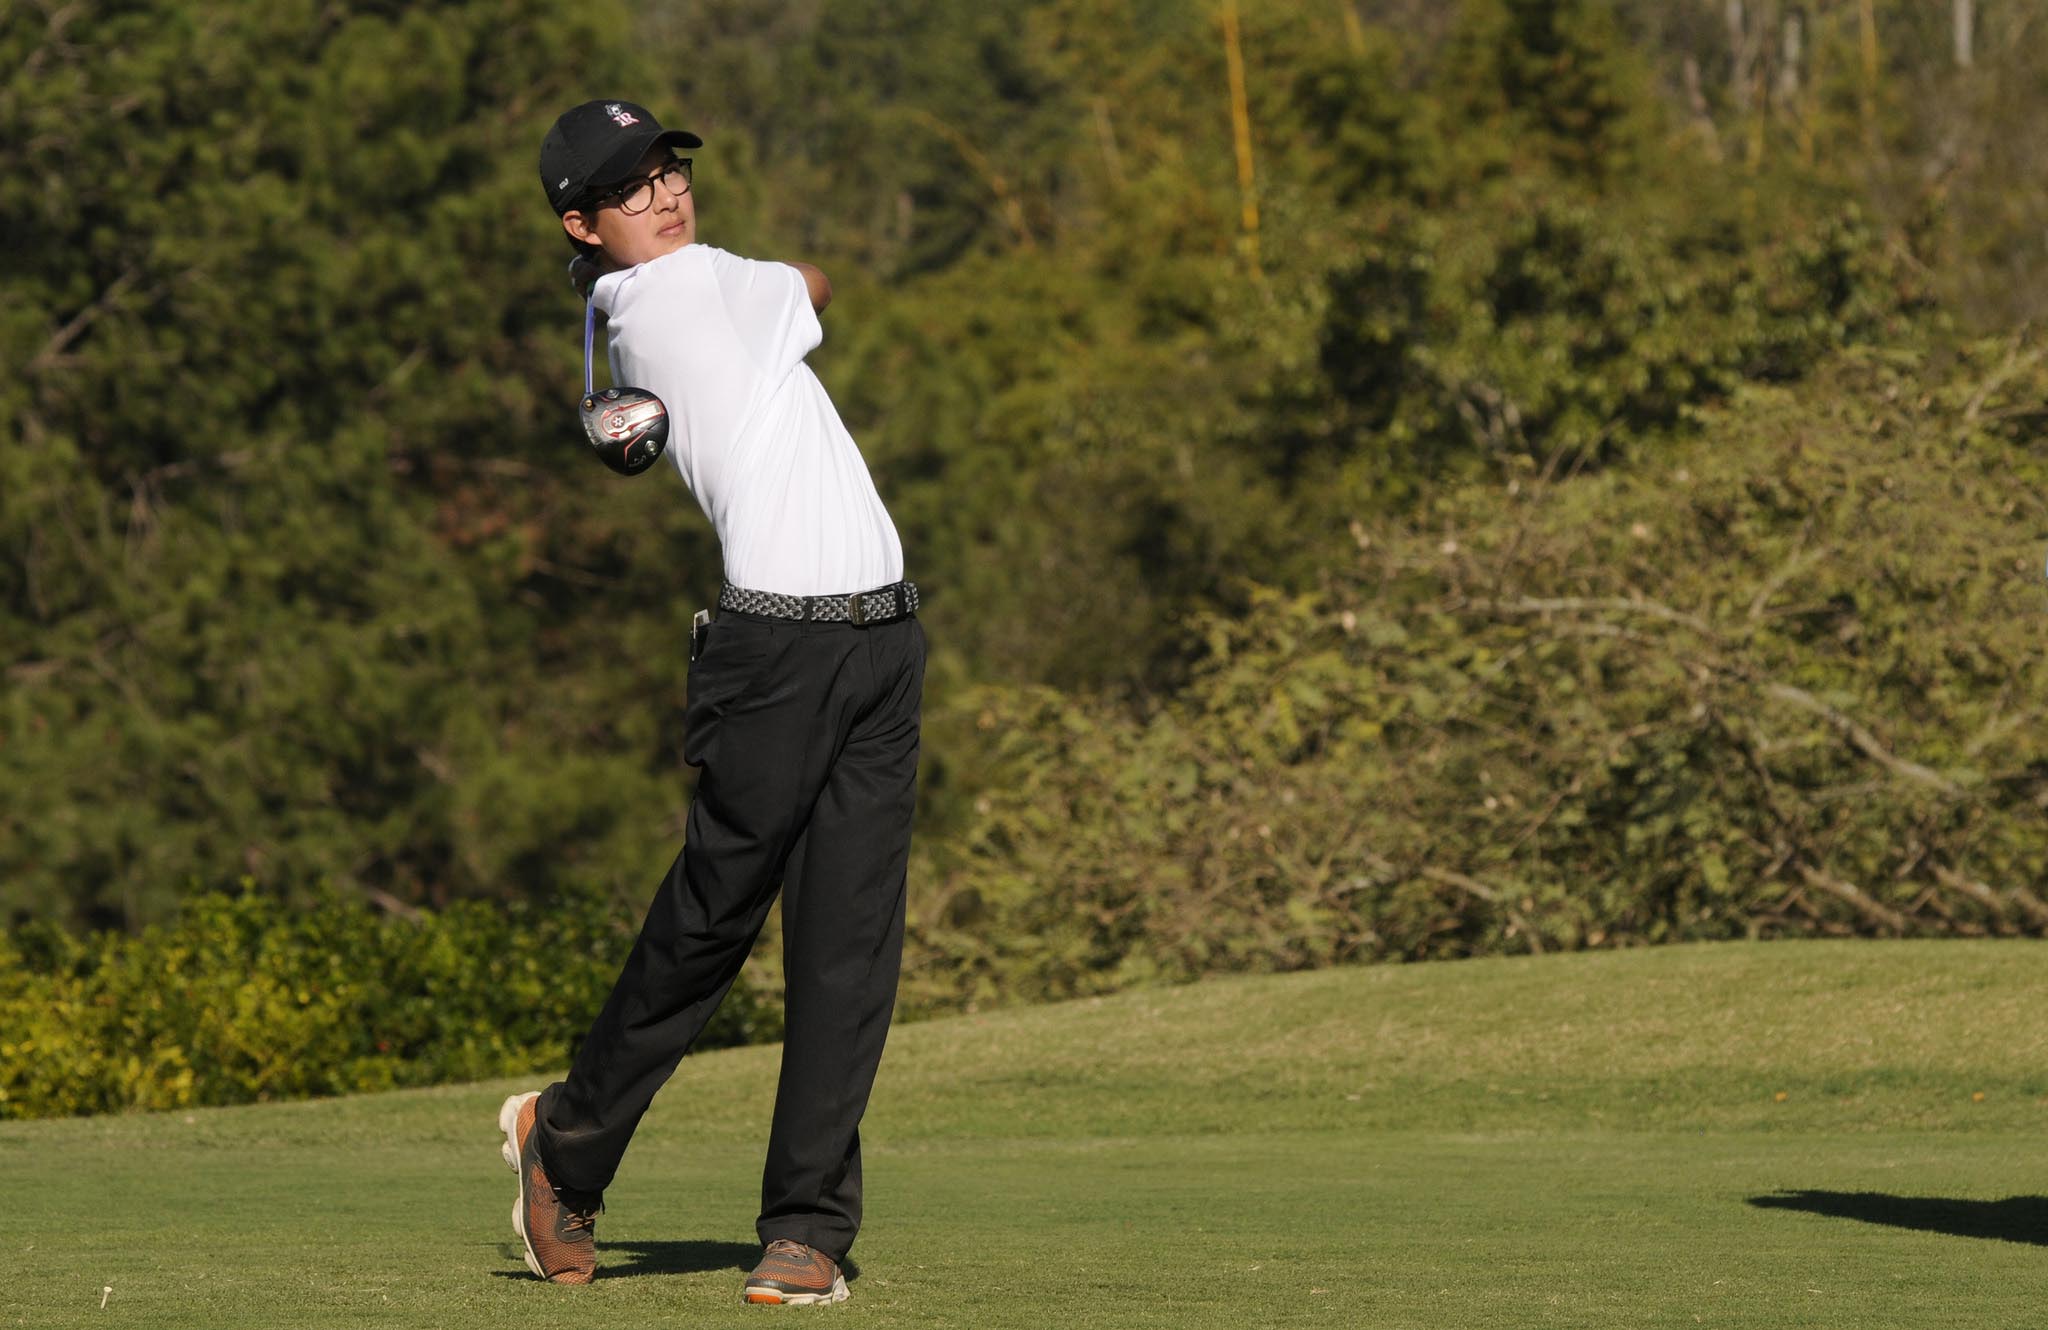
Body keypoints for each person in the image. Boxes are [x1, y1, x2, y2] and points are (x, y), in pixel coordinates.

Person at [496, 98, 925, 1308]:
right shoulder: (683, 291)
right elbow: (819, 280)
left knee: (846, 950)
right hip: (777, 653)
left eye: (670, 170)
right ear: (580, 223)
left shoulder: (666, 291)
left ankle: (804, 1231)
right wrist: (772, 281)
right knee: (711, 925)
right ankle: (565, 1143)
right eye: (631, 189)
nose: (667, 195)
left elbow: (794, 297)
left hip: (881, 637)